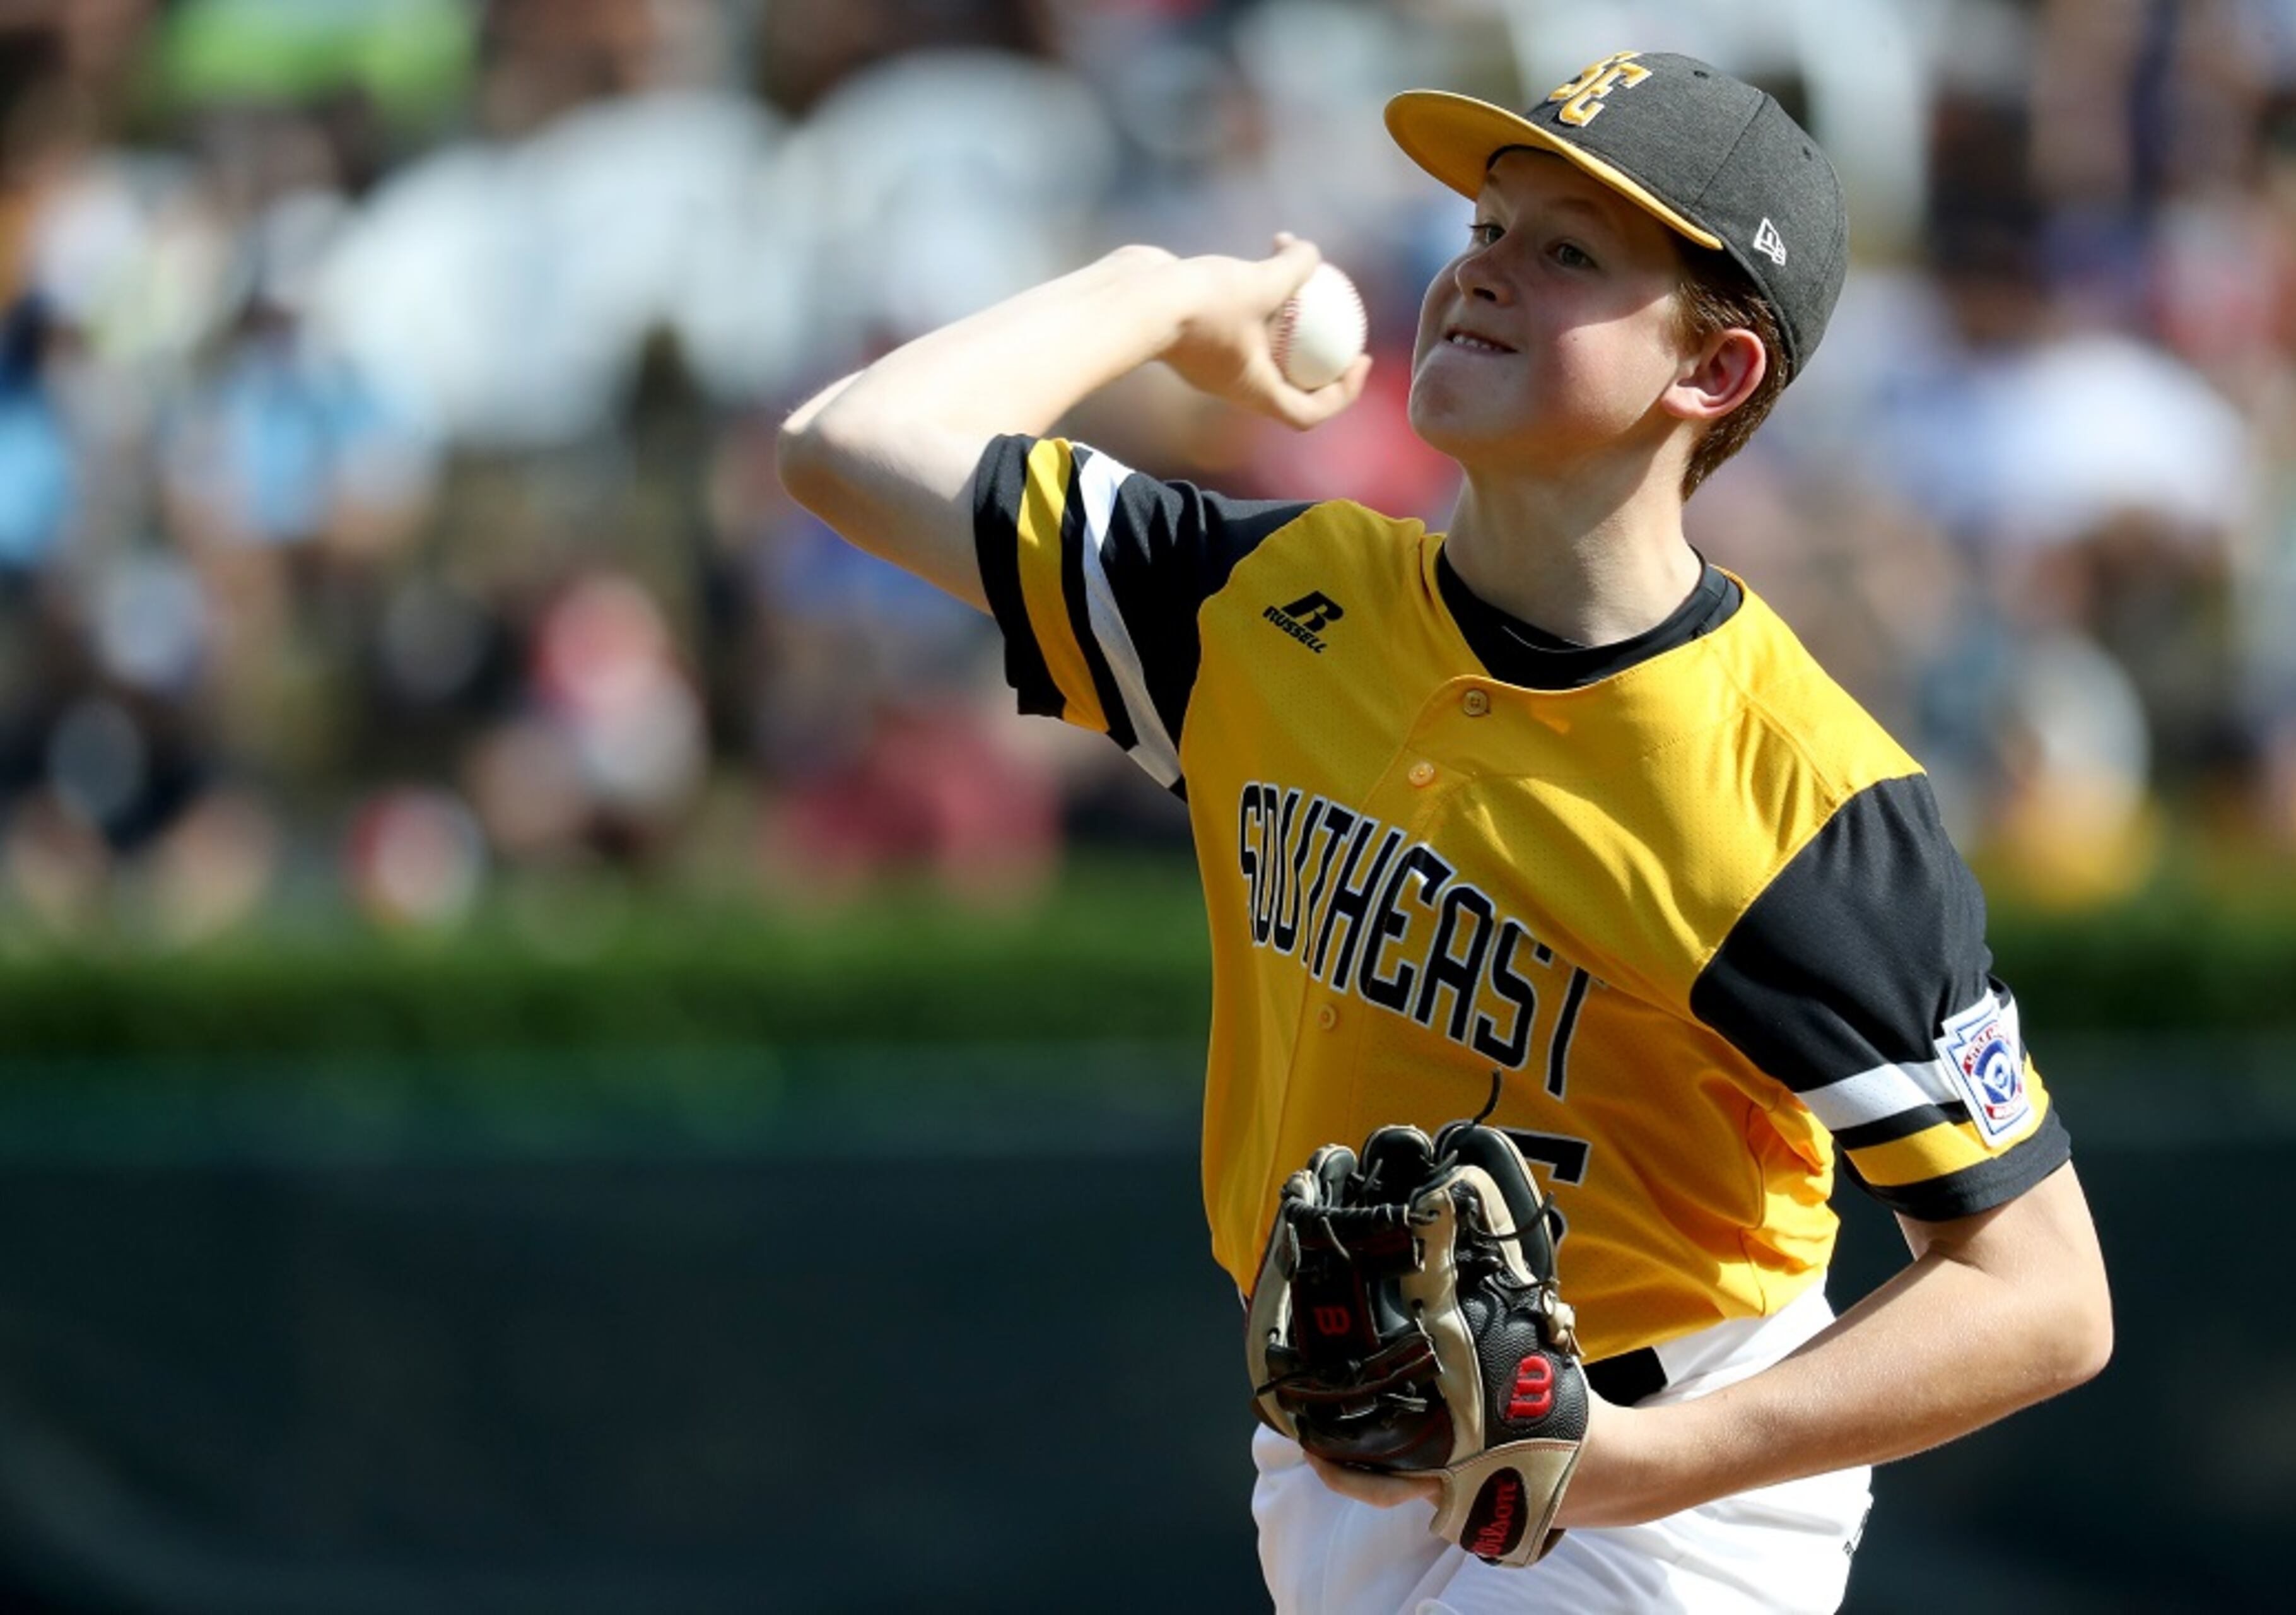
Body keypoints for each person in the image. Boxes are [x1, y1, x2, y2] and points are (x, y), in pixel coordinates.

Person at [778, 49, 2111, 1615]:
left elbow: (2042, 1294)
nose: (1480, 269)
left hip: (1661, 1488)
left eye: (1567, 254)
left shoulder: (1792, 797)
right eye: (1488, 224)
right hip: (1336, 1456)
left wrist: (1635, 1459)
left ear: (1716, 372)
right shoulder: (1272, 603)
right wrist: (1159, 292)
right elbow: (849, 445)